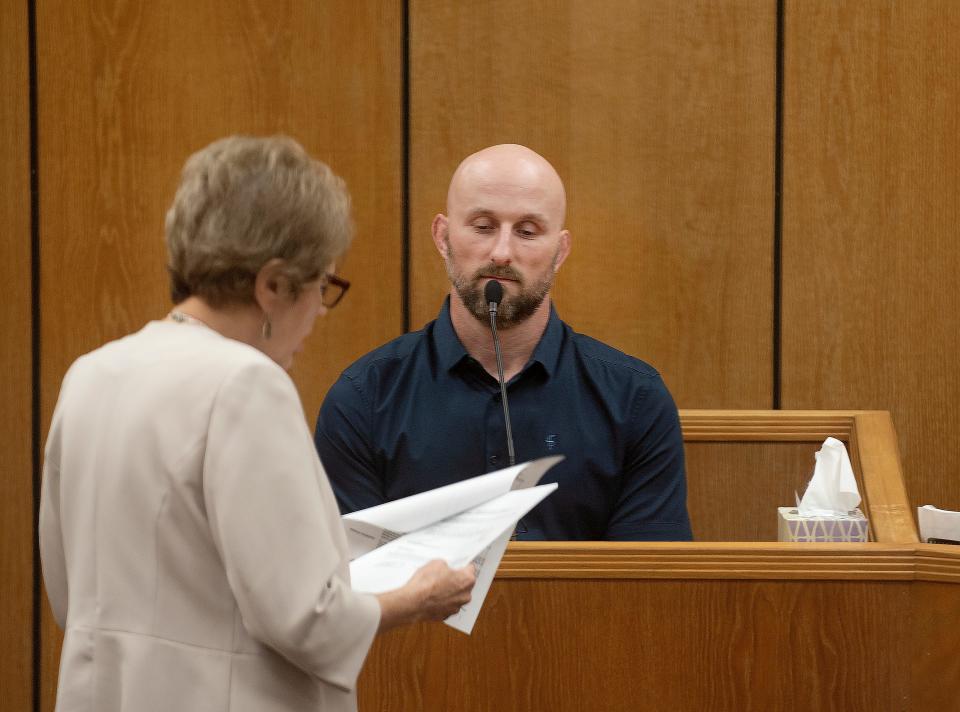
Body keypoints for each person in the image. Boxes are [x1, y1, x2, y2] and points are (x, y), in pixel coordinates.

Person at [39, 136, 475, 712]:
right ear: (272, 285)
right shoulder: (245, 384)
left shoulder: (92, 375)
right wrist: (418, 597)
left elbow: (70, 594)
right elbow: (306, 620)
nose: (320, 309)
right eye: (322, 285)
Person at [316, 144, 693, 541]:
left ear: (560, 252)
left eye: (528, 232)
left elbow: (651, 588)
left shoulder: (634, 400)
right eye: (483, 226)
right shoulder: (365, 399)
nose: (502, 252)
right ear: (442, 237)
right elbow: (350, 584)